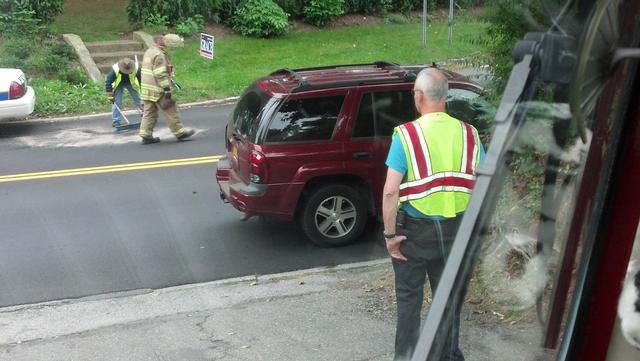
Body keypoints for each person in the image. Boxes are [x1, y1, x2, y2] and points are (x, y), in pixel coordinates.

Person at [382, 68, 484, 361]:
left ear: (419, 96)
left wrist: (390, 236)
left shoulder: (406, 136)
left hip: (413, 233)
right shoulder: (470, 134)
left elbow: (391, 191)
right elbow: (483, 186)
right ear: (446, 96)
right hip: (455, 231)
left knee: (409, 301)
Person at [139, 34, 194, 144]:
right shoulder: (159, 55)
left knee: (149, 112)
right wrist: (166, 89)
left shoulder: (149, 51)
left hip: (146, 88)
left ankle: (146, 135)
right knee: (170, 110)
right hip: (157, 88)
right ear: (162, 42)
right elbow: (160, 73)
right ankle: (180, 133)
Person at [105, 57, 142, 127]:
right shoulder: (115, 69)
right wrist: (110, 96)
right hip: (118, 84)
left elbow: (141, 81)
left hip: (131, 83)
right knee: (117, 101)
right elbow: (108, 83)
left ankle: (145, 115)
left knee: (138, 98)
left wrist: (143, 91)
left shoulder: (137, 68)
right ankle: (116, 120)